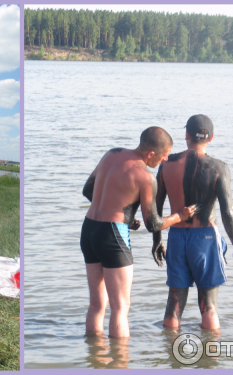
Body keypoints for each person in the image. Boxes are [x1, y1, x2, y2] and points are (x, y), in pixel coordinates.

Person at [81, 126, 198, 338]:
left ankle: (95, 359)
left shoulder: (111, 154)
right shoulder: (145, 176)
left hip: (89, 228)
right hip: (112, 236)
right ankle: (120, 363)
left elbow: (88, 190)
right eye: (164, 156)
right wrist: (179, 216)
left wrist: (124, 216)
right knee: (120, 308)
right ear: (151, 153)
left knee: (97, 305)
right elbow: (153, 223)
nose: (164, 161)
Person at [152, 114, 233, 330]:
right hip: (204, 238)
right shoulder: (219, 168)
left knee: (173, 303)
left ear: (186, 135)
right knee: (208, 305)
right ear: (211, 138)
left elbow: (155, 207)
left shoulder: (167, 165)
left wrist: (157, 240)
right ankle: (209, 360)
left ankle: (171, 357)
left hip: (175, 236)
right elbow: (228, 212)